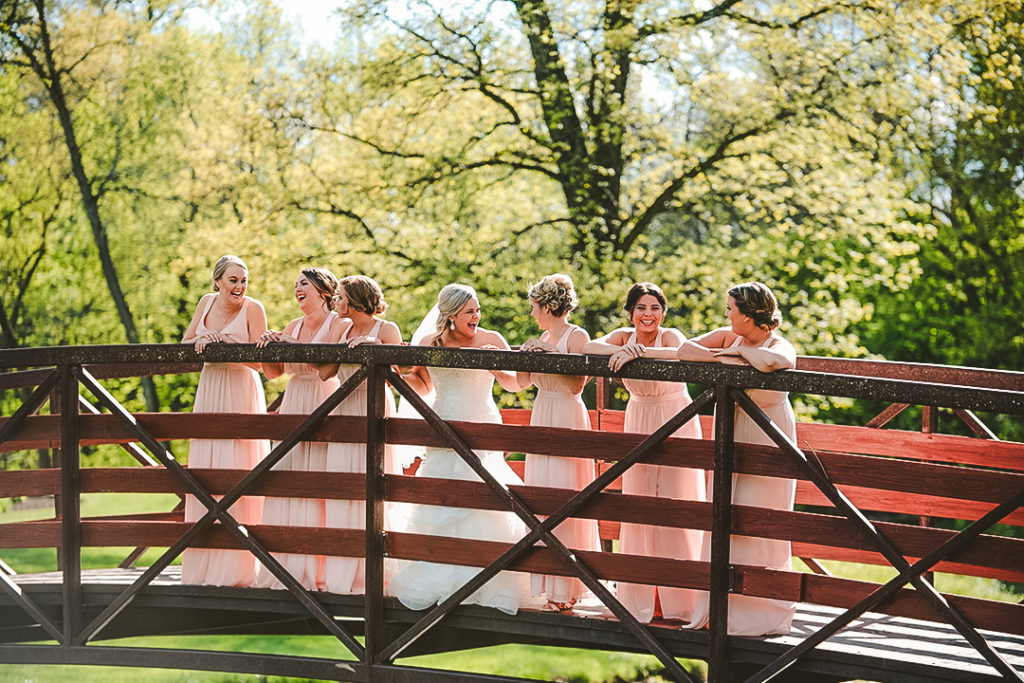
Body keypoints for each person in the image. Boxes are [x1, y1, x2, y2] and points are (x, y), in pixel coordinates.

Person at [388, 283, 531, 615]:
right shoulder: (428, 344)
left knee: (484, 500)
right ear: (451, 315)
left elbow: (512, 382)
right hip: (442, 427)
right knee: (441, 502)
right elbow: (423, 386)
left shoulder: (492, 340)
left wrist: (529, 364)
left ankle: (487, 578)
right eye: (470, 312)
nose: (477, 317)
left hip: (482, 425)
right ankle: (441, 576)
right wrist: (395, 374)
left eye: (478, 310)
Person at [679, 281, 797, 636]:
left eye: (731, 308)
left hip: (769, 435)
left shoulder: (777, 342)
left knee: (762, 520)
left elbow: (778, 362)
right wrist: (726, 355)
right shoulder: (727, 336)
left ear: (748, 314)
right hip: (732, 430)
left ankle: (761, 613)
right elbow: (685, 349)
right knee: (727, 516)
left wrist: (739, 356)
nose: (726, 314)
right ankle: (723, 608)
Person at [584, 282, 705, 624]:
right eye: (640, 308)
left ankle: (681, 598)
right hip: (639, 418)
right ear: (630, 312)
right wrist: (622, 348)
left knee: (675, 501)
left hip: (674, 417)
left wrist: (640, 354)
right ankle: (641, 593)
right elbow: (590, 347)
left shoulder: (670, 336)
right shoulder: (623, 336)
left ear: (663, 312)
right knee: (638, 502)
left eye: (654, 307)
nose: (648, 314)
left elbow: (682, 353)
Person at [180, 254, 269, 587]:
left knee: (238, 469)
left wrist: (236, 347)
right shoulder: (205, 303)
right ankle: (205, 564)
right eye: (233, 280)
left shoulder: (253, 309)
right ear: (217, 281)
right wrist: (200, 341)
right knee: (207, 471)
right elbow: (186, 343)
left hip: (240, 390)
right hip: (210, 389)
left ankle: (243, 566)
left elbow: (263, 365)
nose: (240, 287)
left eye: (244, 280)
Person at [252, 267, 340, 591]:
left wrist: (294, 344)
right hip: (294, 402)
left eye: (304, 284)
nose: (298, 289)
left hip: (324, 400)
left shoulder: (336, 324)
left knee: (316, 481)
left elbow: (328, 370)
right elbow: (275, 374)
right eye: (296, 285)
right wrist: (269, 347)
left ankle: (317, 568)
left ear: (324, 292)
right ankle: (285, 566)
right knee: (288, 480)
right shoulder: (293, 326)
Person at [517, 274, 599, 611]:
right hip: (542, 411)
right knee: (542, 499)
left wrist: (551, 353)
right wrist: (522, 356)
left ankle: (568, 588)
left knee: (565, 495)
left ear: (549, 306)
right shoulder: (540, 335)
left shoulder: (576, 335)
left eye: (534, 306)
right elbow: (521, 384)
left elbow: (576, 385)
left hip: (566, 414)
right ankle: (547, 583)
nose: (532, 313)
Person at [317, 275, 403, 595]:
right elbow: (324, 372)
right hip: (345, 410)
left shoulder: (387, 329)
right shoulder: (341, 328)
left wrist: (376, 350)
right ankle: (343, 575)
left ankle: (376, 574)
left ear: (354, 301)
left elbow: (398, 378)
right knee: (343, 489)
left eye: (339, 298)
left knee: (376, 491)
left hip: (376, 409)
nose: (335, 303)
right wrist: (333, 341)